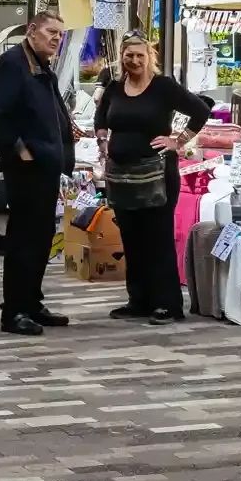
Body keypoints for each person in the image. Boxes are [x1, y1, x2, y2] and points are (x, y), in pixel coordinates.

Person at [94, 38, 210, 324]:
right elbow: (101, 117)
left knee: (157, 238)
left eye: (139, 55)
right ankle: (139, 300)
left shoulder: (163, 87)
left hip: (157, 174)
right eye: (128, 55)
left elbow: (201, 110)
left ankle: (167, 304)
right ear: (122, 57)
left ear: (149, 57)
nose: (134, 61)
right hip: (121, 176)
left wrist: (178, 141)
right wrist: (102, 140)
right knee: (131, 238)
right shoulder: (114, 88)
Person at [0, 10, 75, 337]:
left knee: (41, 238)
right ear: (32, 30)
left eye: (60, 34)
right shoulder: (13, 63)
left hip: (46, 168)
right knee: (23, 240)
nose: (56, 38)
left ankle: (32, 303)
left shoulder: (41, 66)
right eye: (51, 32)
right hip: (27, 170)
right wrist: (21, 149)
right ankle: (14, 311)